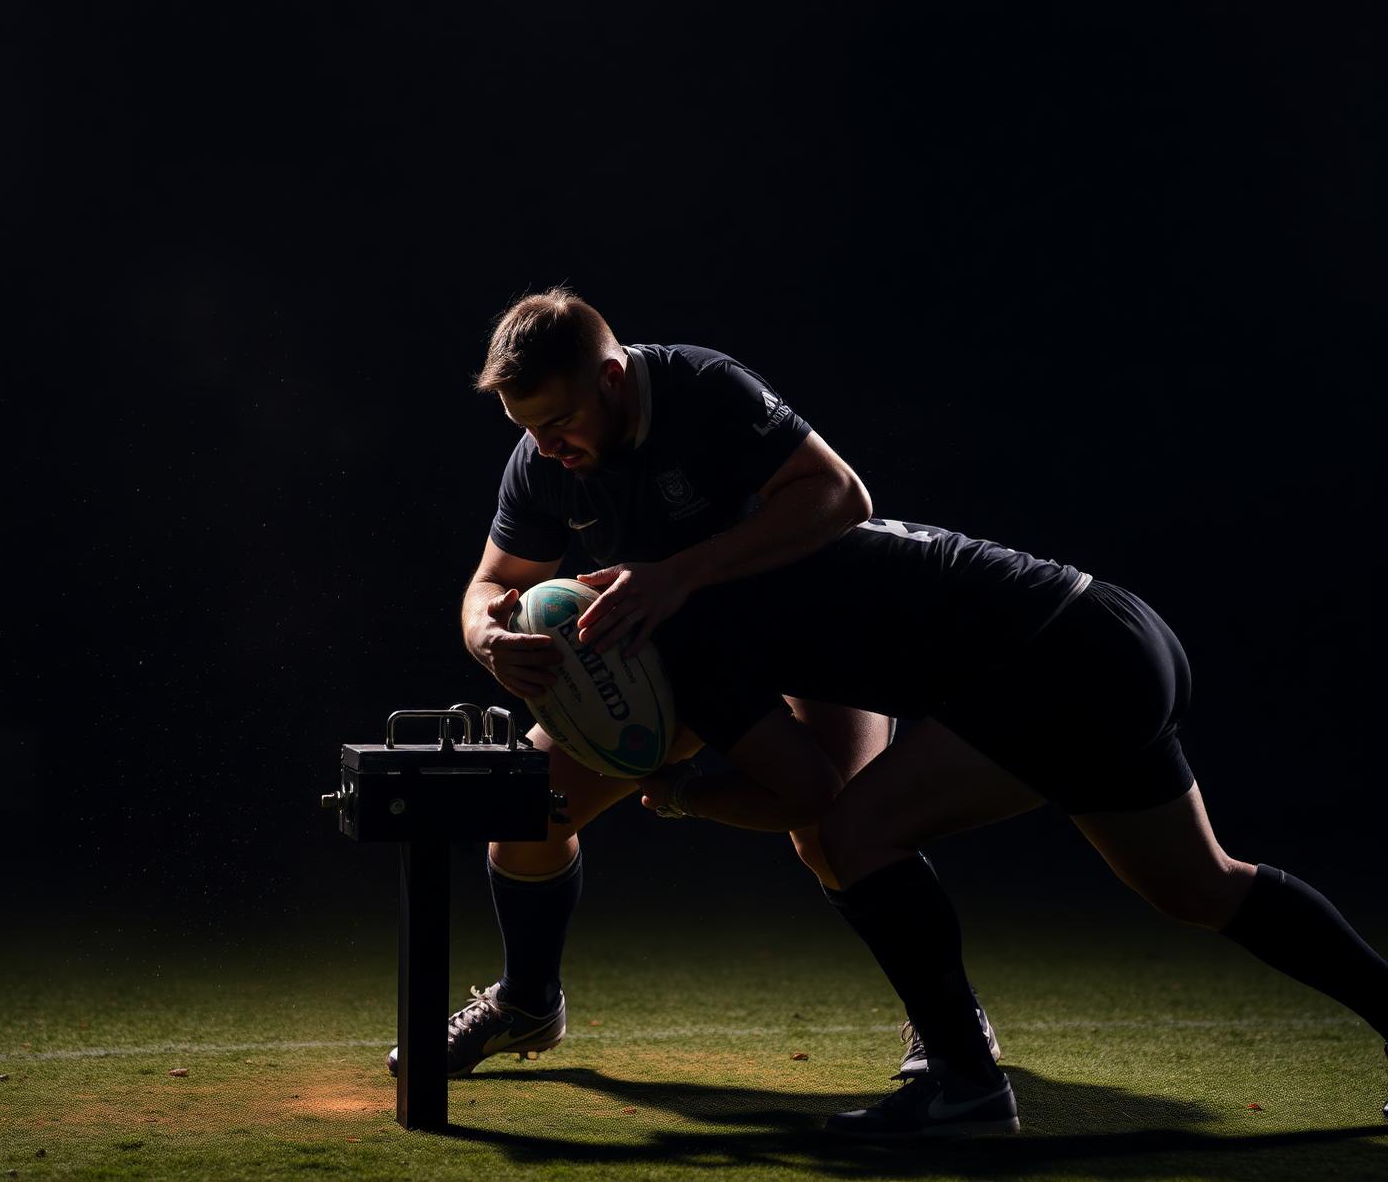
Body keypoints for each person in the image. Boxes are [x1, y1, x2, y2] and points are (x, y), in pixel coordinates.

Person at [387, 288, 1000, 1079]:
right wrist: (487, 639)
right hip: (675, 661)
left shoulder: (705, 388)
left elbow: (842, 495)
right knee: (524, 814)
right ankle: (528, 1002)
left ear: (612, 379)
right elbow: (492, 581)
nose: (543, 445)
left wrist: (677, 576)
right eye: (525, 428)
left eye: (558, 421)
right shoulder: (543, 461)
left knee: (839, 831)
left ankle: (948, 1019)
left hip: (810, 637)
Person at [630, 519, 1388, 1135]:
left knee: (856, 831)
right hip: (1114, 631)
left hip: (1061, 663)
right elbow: (823, 767)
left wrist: (678, 792)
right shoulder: (755, 564)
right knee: (1200, 886)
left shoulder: (697, 641)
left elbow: (806, 794)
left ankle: (966, 1085)